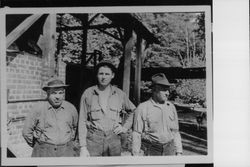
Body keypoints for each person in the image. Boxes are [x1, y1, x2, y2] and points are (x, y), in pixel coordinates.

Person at [78, 60, 136, 156]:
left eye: (107, 74)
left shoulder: (119, 94)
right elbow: (82, 120)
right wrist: (83, 147)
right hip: (94, 139)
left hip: (113, 138)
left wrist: (124, 128)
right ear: (97, 75)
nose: (104, 77)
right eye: (101, 74)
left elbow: (133, 111)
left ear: (112, 75)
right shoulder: (88, 93)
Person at [22, 77, 79, 157]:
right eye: (54, 93)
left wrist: (68, 144)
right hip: (44, 151)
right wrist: (38, 146)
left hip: (66, 151)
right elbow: (26, 132)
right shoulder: (38, 108)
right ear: (48, 94)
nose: (57, 96)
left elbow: (74, 128)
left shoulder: (71, 108)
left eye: (60, 93)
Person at [132, 73, 183, 156]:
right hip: (150, 149)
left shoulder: (171, 107)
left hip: (169, 149)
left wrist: (179, 151)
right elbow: (137, 133)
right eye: (164, 90)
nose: (167, 93)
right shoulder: (143, 107)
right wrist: (135, 154)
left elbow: (175, 131)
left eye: (168, 90)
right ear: (154, 90)